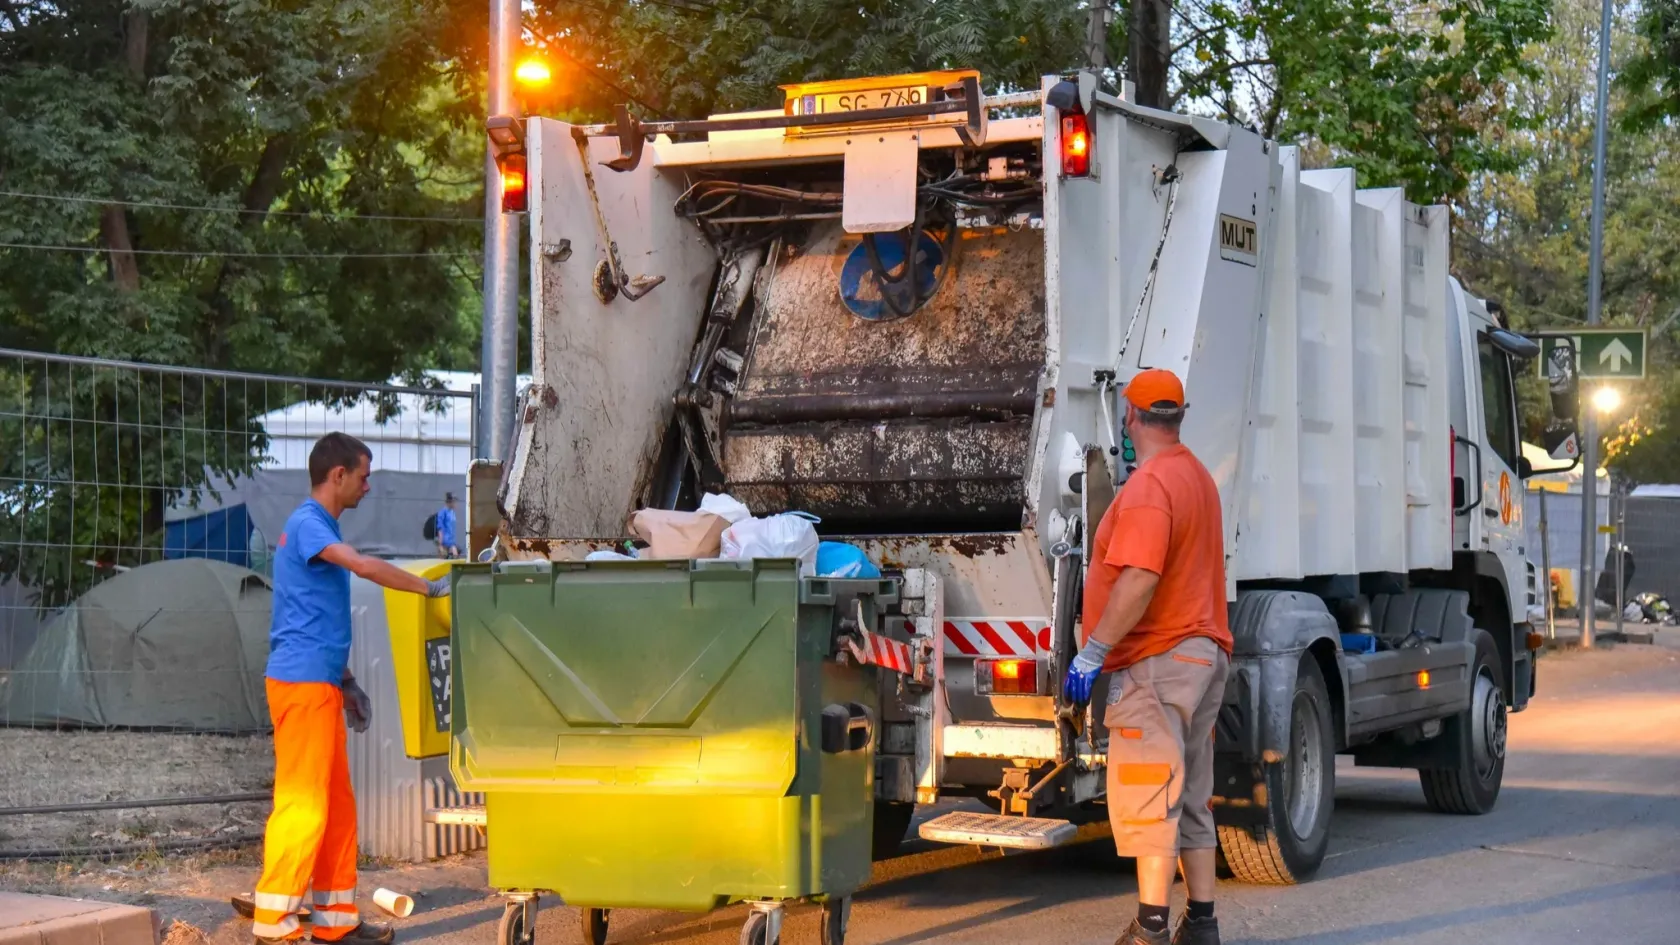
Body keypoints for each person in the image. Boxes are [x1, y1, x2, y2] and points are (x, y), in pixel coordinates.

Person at [252, 433, 451, 945]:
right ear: (337, 475)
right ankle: (272, 925)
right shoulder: (307, 524)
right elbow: (362, 566)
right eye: (364, 474)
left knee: (336, 806)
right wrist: (429, 587)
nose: (369, 484)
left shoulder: (316, 525)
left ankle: (335, 922)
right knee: (304, 804)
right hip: (300, 686)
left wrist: (348, 682)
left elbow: (315, 614)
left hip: (318, 683)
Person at [1061, 369, 1233, 945]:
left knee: (1149, 791)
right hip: (1203, 658)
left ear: (1131, 419)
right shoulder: (1198, 478)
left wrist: (1093, 651)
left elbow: (1139, 578)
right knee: (1188, 796)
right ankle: (1201, 924)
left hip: (1159, 661)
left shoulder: (1150, 486)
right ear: (1177, 416)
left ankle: (1151, 929)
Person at [433, 492, 460, 559]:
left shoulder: (452, 512)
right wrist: (441, 541)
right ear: (449, 502)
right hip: (445, 539)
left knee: (451, 555)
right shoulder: (443, 512)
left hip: (451, 538)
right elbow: (440, 526)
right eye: (454, 501)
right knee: (450, 554)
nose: (455, 503)